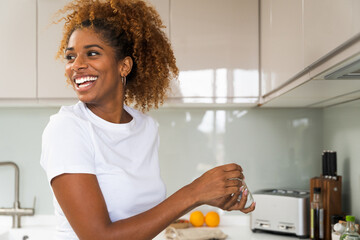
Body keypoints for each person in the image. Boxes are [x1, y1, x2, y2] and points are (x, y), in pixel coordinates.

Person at [40, 0, 255, 239]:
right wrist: (194, 193)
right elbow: (98, 236)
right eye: (70, 57)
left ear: (124, 66)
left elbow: (145, 219)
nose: (76, 65)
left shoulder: (145, 127)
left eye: (92, 53)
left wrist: (208, 196)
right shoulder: (67, 128)